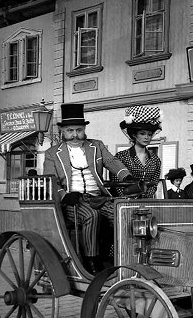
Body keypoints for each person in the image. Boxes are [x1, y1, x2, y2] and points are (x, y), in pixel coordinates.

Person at [44, 103, 132, 274]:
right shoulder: (52, 153)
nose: (75, 135)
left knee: (122, 214)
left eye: (78, 130)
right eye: (70, 131)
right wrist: (64, 195)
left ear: (84, 129)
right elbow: (51, 180)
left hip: (98, 197)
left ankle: (121, 257)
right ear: (63, 132)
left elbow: (112, 162)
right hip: (72, 202)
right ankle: (92, 262)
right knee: (92, 215)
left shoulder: (96, 146)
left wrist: (126, 176)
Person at [112, 105, 162, 199]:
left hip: (146, 202)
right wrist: (128, 198)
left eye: (149, 134)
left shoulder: (155, 160)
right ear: (134, 135)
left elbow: (154, 184)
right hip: (125, 202)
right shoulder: (121, 157)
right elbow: (116, 184)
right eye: (142, 134)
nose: (146, 137)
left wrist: (145, 197)